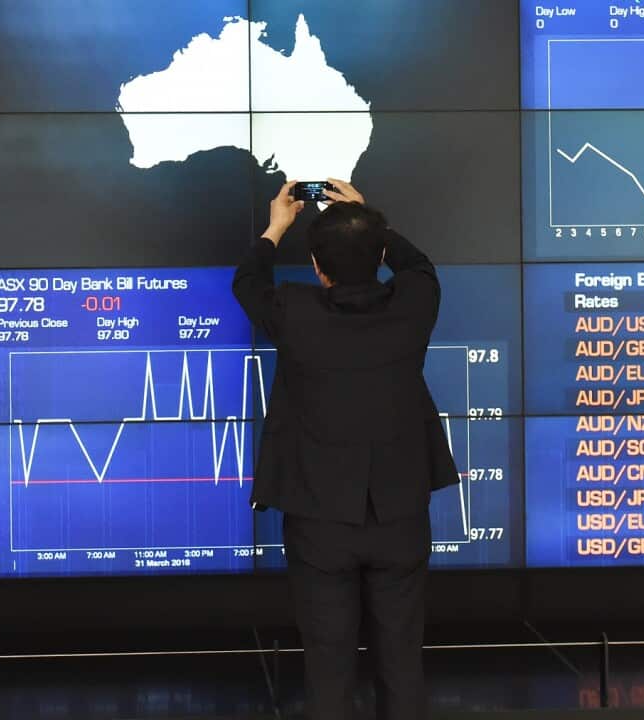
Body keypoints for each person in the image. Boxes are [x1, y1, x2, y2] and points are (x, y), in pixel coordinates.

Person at [233, 179, 458, 720]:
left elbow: (248, 283)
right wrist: (367, 219)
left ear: (316, 266)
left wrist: (276, 228)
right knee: (401, 663)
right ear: (379, 257)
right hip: (400, 515)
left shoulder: (295, 311)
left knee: (327, 668)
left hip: (320, 521)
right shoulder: (414, 304)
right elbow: (419, 266)